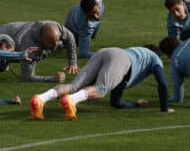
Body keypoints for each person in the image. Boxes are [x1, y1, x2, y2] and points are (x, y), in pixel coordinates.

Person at [29, 45, 172, 120]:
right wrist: (164, 108)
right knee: (101, 88)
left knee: (74, 86)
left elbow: (115, 102)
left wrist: (135, 104)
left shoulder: (135, 60)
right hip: (121, 59)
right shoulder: (155, 59)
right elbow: (163, 83)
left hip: (107, 51)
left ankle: (41, 98)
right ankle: (72, 100)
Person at [0, 20, 79, 83]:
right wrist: (53, 79)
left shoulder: (57, 28)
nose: (55, 46)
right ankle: (4, 62)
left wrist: (73, 62)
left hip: (17, 29)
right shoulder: (29, 46)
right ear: (42, 40)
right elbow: (27, 77)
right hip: (4, 35)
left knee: (61, 45)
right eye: (51, 43)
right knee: (0, 67)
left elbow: (70, 37)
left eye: (57, 41)